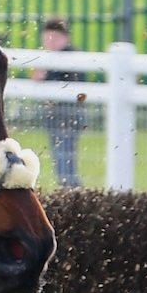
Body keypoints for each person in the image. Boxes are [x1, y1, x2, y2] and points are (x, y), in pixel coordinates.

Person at [26, 17, 87, 189]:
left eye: (55, 38)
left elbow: (71, 85)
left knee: (64, 155)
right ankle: (68, 187)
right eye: (47, 38)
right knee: (61, 155)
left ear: (65, 38)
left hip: (68, 115)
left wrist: (45, 76)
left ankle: (70, 188)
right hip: (56, 116)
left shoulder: (69, 57)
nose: (50, 42)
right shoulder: (50, 58)